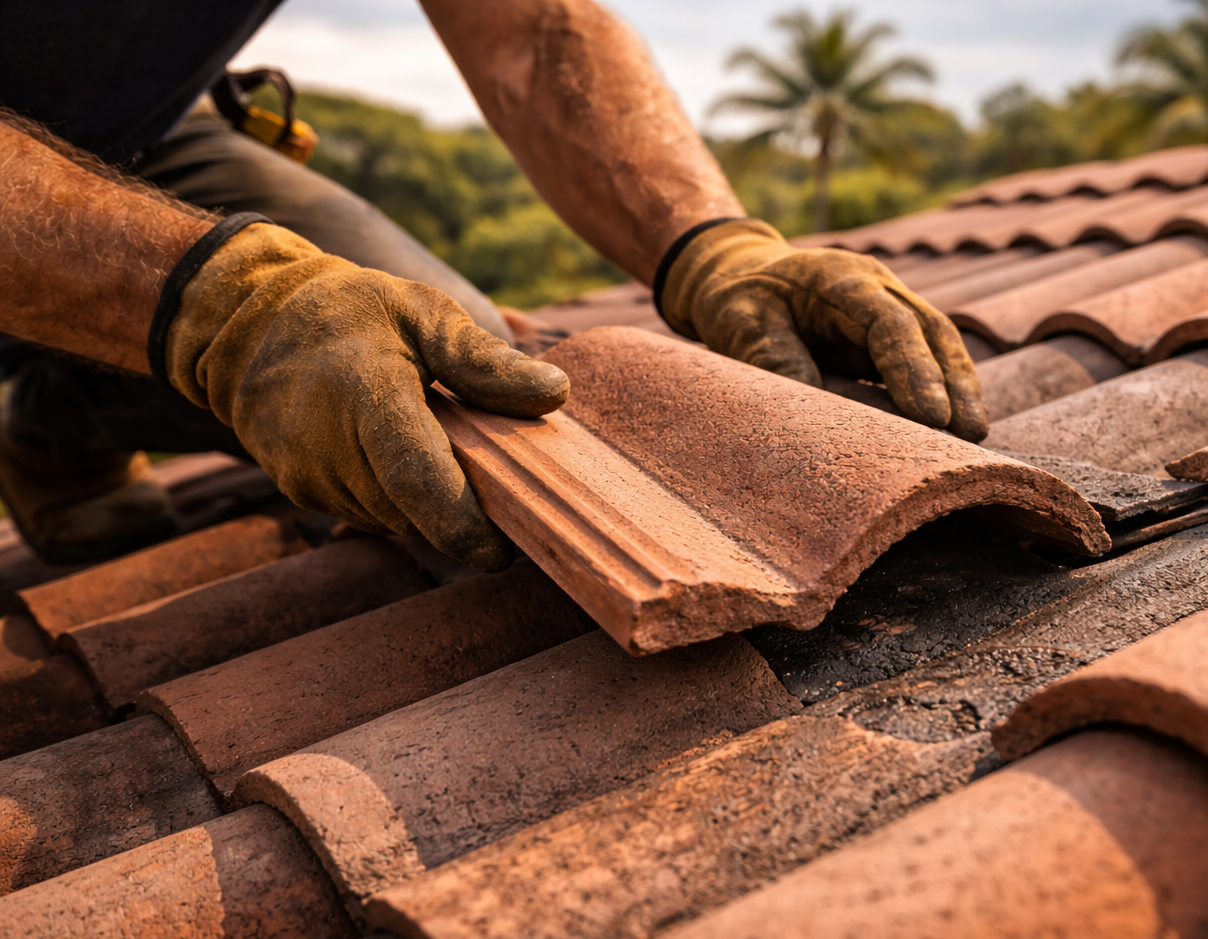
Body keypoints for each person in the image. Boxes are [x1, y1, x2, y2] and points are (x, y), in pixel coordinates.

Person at [0, 0, 988, 572]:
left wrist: (710, 245)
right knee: (295, 343)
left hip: (142, 136)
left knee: (433, 385)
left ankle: (62, 412)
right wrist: (228, 310)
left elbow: (528, 30)